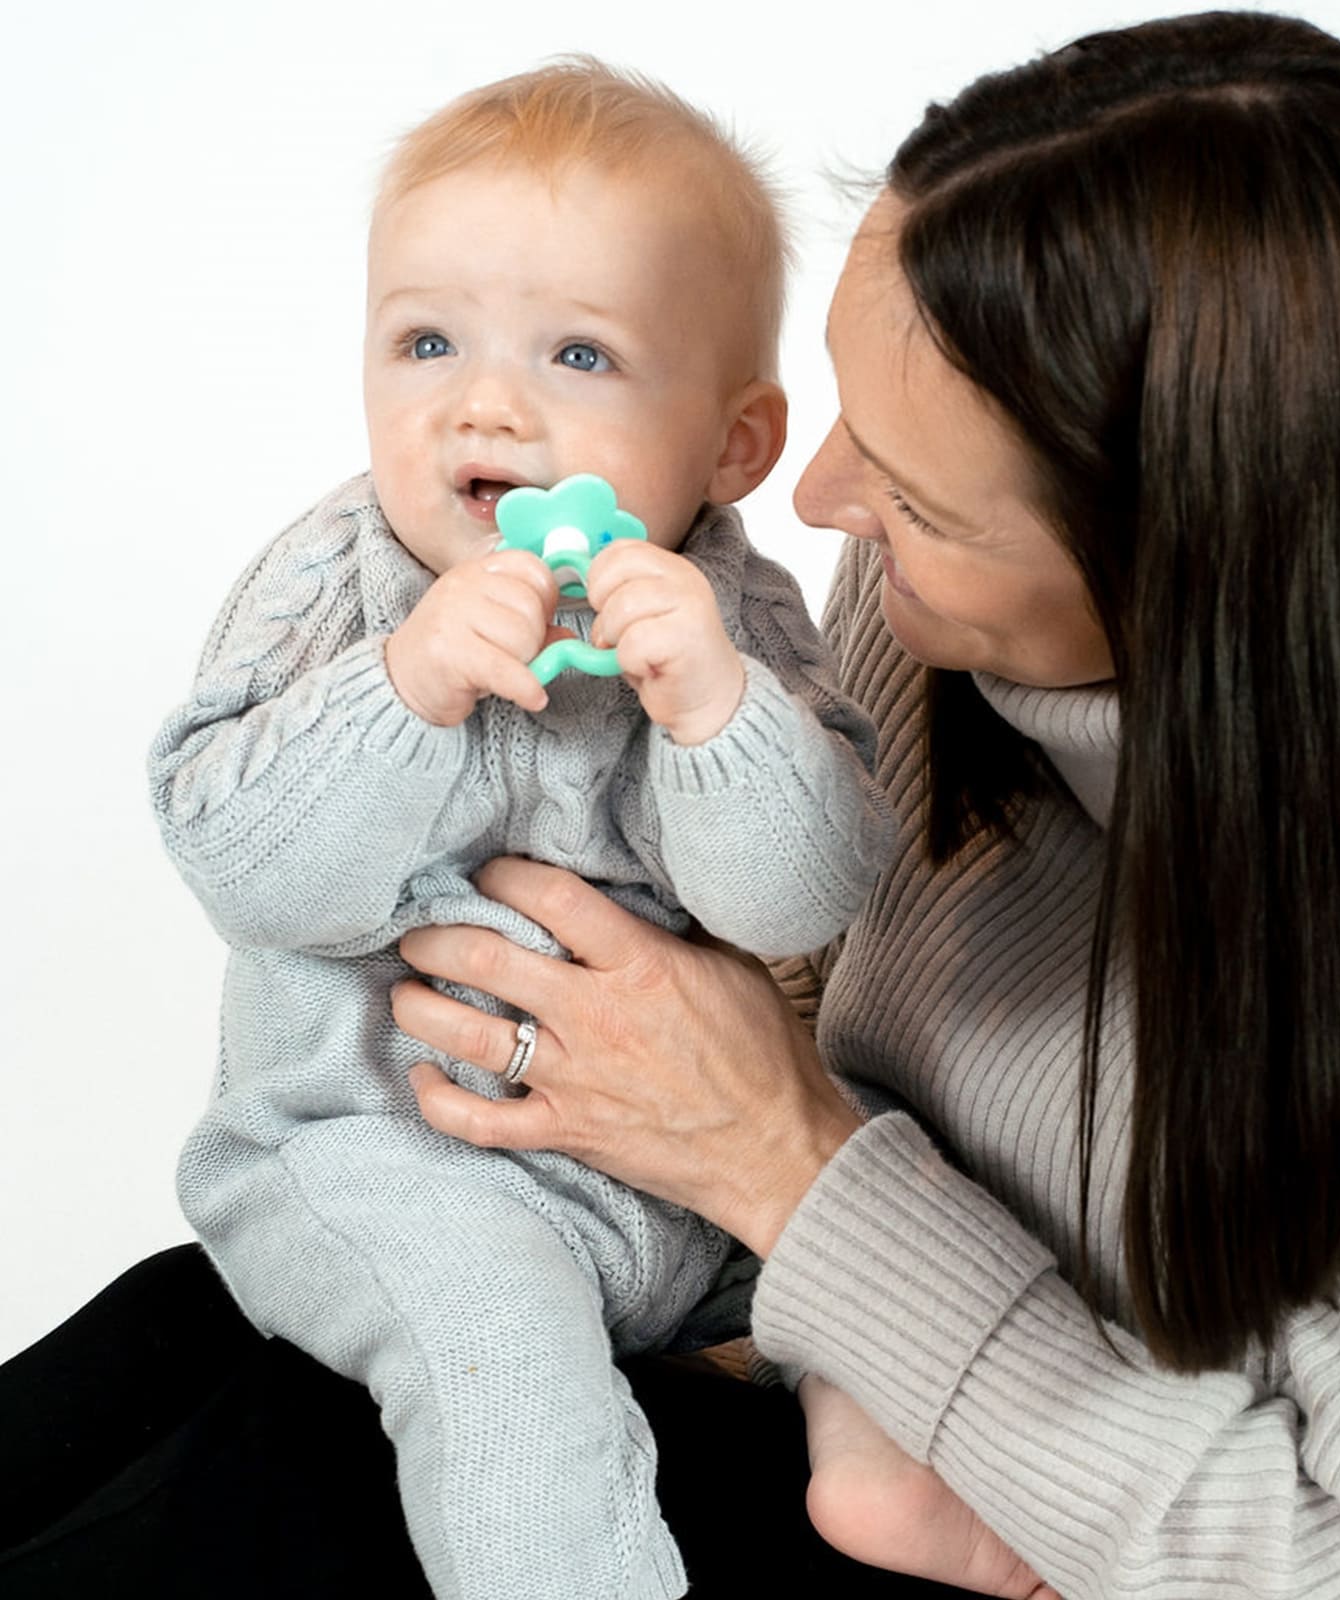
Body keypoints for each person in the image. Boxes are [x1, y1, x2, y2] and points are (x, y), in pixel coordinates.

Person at [4, 10, 1340, 1599]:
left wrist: (786, 1167)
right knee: (184, 1357)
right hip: (730, 1302)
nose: (823, 499)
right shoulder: (903, 599)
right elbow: (773, 942)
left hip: (1075, 1532)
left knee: (352, 1456)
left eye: (911, 493)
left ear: (1176, 562)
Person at [140, 60, 892, 1600]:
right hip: (381, 1160)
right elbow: (246, 870)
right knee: (500, 1351)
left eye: (578, 353)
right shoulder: (340, 584)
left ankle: (905, 1491)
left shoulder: (733, 613)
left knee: (903, 1247)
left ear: (736, 446)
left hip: (677, 1197)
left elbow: (800, 903)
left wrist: (715, 712)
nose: (483, 403)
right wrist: (403, 690)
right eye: (426, 340)